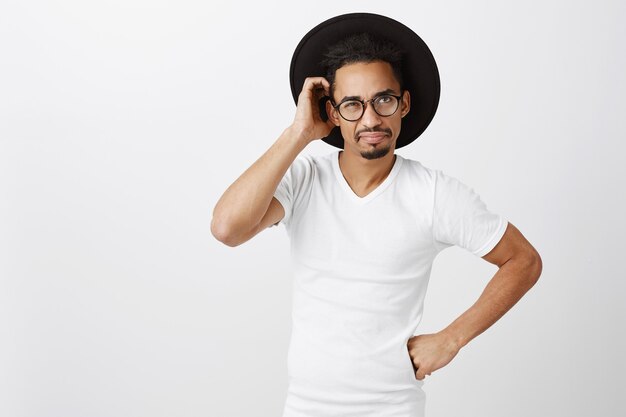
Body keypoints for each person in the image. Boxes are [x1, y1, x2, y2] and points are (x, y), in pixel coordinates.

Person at [211, 12, 542, 417]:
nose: (370, 119)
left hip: (393, 408)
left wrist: (453, 338)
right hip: (305, 408)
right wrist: (298, 132)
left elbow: (523, 260)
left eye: (383, 100)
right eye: (352, 104)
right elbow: (227, 228)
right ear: (332, 113)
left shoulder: (433, 193)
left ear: (403, 104)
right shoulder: (303, 180)